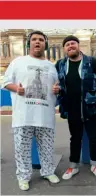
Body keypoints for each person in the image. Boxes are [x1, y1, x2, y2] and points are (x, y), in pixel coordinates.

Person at [2, 30, 60, 191]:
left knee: (47, 148)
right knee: (22, 149)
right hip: (23, 116)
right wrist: (16, 88)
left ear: (45, 44)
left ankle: (47, 171)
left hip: (45, 116)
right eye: (34, 39)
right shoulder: (18, 62)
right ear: (29, 43)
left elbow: (57, 87)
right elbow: (5, 82)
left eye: (41, 40)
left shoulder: (51, 66)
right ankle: (23, 176)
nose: (37, 42)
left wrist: (57, 90)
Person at [53, 35, 96, 182]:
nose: (70, 46)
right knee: (75, 138)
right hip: (71, 108)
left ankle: (95, 165)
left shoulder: (92, 62)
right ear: (64, 49)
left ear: (78, 46)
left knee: (94, 138)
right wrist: (56, 90)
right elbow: (55, 83)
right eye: (67, 45)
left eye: (73, 43)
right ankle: (73, 166)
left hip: (91, 108)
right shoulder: (60, 64)